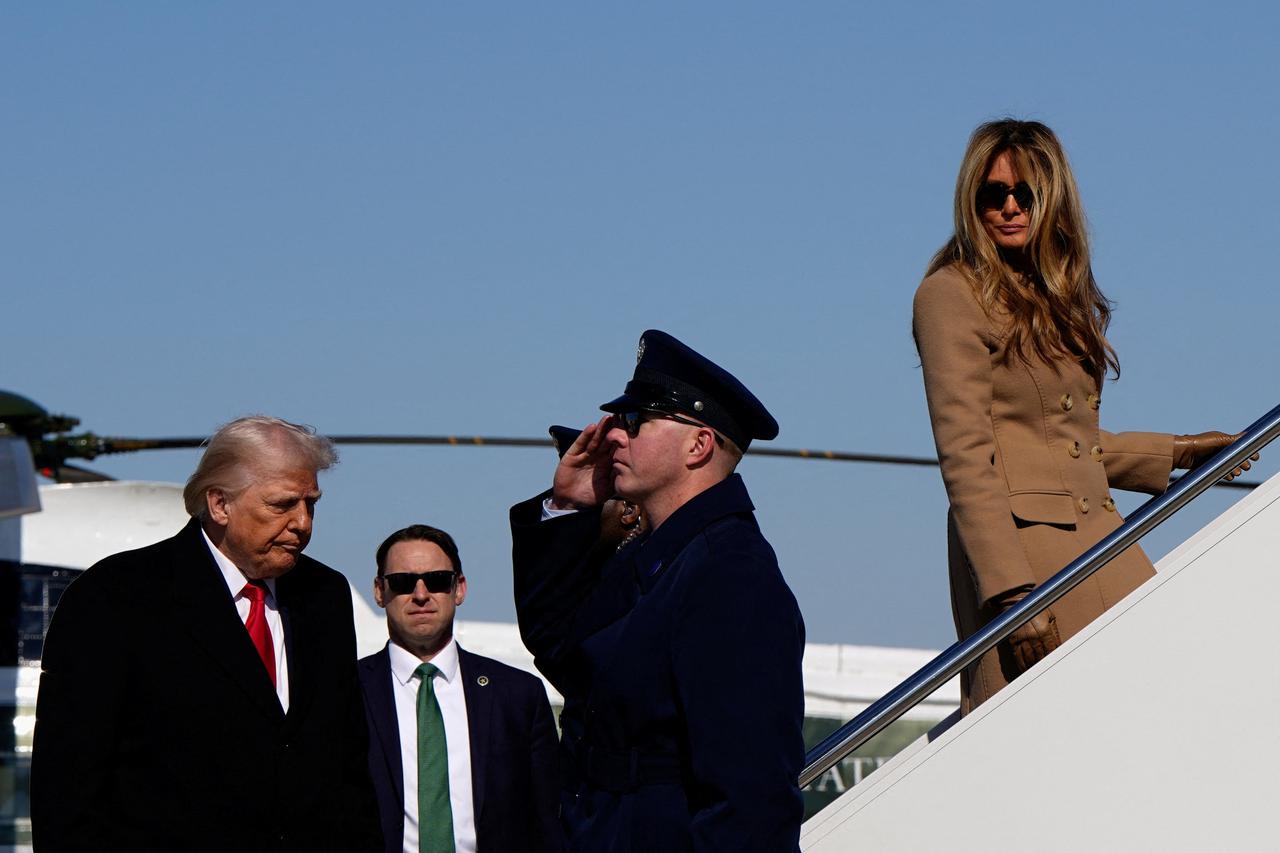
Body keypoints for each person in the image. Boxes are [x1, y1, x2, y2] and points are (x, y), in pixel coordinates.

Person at [913, 119, 1256, 713]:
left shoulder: (1051, 295)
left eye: (1026, 193)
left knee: (1173, 701)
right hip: (1025, 565)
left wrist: (1177, 453)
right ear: (971, 203)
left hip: (1098, 539)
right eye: (992, 194)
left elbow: (1060, 443)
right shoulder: (951, 293)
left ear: (1054, 199)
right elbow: (966, 457)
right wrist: (1013, 600)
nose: (1010, 207)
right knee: (1060, 737)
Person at [510, 330, 806, 852]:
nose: (614, 437)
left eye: (636, 422)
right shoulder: (660, 555)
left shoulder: (730, 573)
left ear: (699, 444)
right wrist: (568, 507)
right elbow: (561, 646)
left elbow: (751, 798)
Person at [31, 415, 382, 852]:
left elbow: (347, 766)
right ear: (219, 504)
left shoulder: (324, 595)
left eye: (311, 503)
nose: (303, 523)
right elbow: (67, 783)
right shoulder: (117, 596)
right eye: (282, 504)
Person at [358, 524, 561, 853]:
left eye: (437, 580)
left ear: (459, 588)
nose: (421, 594)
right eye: (403, 582)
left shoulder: (519, 695)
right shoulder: (344, 692)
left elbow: (547, 820)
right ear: (380, 592)